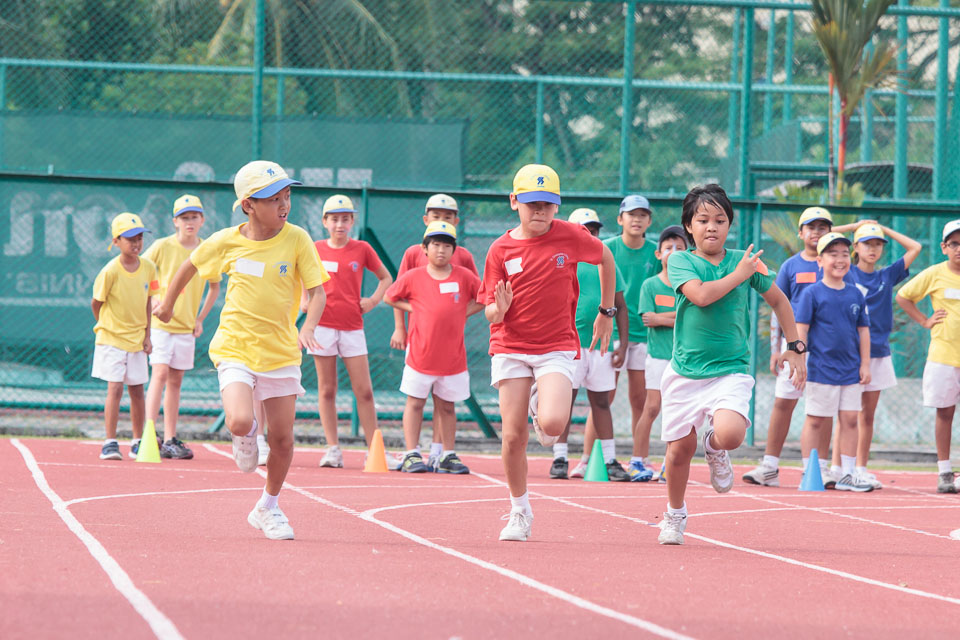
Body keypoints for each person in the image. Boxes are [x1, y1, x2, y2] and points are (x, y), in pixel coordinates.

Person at [155, 160, 328, 540]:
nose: (284, 205)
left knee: (283, 440)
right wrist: (167, 304)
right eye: (274, 199)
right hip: (235, 346)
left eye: (287, 196)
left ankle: (268, 506)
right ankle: (247, 435)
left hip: (280, 352)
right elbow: (189, 266)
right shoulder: (225, 241)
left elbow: (317, 292)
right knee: (238, 420)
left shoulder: (297, 239)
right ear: (249, 205)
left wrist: (309, 326)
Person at [658, 184, 805, 545]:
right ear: (689, 226)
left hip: (730, 369)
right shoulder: (680, 261)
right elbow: (701, 296)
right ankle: (675, 514)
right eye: (703, 220)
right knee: (678, 452)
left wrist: (795, 346)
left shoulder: (746, 260)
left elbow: (780, 301)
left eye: (720, 220)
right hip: (685, 372)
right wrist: (741, 273)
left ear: (729, 225)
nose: (712, 226)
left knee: (731, 434)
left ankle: (714, 446)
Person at [479, 164, 615, 542]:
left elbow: (606, 259)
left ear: (557, 205)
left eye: (547, 204)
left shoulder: (571, 235)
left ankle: (540, 402)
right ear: (514, 202)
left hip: (555, 346)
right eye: (531, 203)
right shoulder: (500, 250)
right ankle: (519, 510)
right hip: (510, 346)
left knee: (553, 427)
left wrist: (606, 313)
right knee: (513, 436)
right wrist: (498, 310)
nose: (539, 210)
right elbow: (489, 310)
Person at [742, 206, 832, 488]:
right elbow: (775, 306)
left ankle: (820, 469)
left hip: (828, 349)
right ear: (800, 233)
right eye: (811, 227)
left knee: (823, 409)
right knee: (783, 403)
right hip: (793, 347)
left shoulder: (835, 264)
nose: (816, 232)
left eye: (823, 227)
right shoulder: (791, 266)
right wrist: (775, 348)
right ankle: (769, 466)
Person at [826, 221, 921, 488]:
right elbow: (824, 238)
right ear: (855, 247)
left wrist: (884, 229)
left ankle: (860, 468)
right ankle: (836, 469)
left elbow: (915, 247)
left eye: (878, 244)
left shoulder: (886, 276)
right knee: (846, 414)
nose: (873, 248)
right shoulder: (846, 272)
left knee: (867, 415)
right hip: (849, 352)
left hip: (878, 353)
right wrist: (857, 225)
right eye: (867, 243)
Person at [384, 221, 484, 474]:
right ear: (424, 249)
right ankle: (412, 453)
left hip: (452, 358)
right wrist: (413, 308)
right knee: (415, 404)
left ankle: (447, 455)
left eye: (447, 246)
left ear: (454, 250)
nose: (441, 250)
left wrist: (463, 312)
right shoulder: (414, 277)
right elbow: (390, 296)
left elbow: (484, 297)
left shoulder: (464, 276)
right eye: (436, 245)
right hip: (420, 355)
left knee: (447, 407)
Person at [305, 195, 397, 470]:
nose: (340, 224)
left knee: (364, 391)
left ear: (352, 221)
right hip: (322, 326)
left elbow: (386, 277)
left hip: (352, 327)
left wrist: (373, 300)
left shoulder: (362, 248)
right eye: (334, 219)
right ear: (324, 221)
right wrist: (303, 300)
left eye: (345, 219)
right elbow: (300, 277)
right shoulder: (315, 249)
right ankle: (333, 449)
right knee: (327, 389)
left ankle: (374, 450)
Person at [572, 195, 658, 476]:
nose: (637, 219)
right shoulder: (604, 249)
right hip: (608, 333)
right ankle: (587, 458)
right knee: (602, 398)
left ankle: (639, 459)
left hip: (644, 334)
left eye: (642, 215)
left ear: (649, 220)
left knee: (640, 400)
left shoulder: (655, 253)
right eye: (631, 214)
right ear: (620, 219)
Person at [545, 208, 629, 481]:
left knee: (601, 403)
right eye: (584, 230)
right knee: (564, 403)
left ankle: (610, 460)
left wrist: (622, 345)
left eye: (593, 230)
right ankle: (559, 458)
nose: (590, 235)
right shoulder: (560, 262)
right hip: (568, 345)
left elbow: (620, 305)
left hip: (601, 346)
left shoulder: (606, 261)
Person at [143, 195, 221, 460]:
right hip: (161, 324)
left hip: (186, 326)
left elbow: (214, 287)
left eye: (194, 217)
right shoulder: (162, 246)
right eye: (184, 217)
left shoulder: (206, 250)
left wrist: (199, 319)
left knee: (176, 381)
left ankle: (169, 439)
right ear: (175, 221)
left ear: (202, 220)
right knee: (160, 373)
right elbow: (144, 272)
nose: (189, 222)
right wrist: (155, 299)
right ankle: (147, 433)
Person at [795, 232, 872, 492]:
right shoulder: (812, 293)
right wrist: (800, 361)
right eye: (832, 254)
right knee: (816, 420)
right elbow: (801, 330)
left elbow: (863, 331)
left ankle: (847, 474)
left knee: (850, 419)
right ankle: (810, 471)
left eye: (844, 254)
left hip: (850, 370)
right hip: (821, 369)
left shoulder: (855, 294)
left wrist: (865, 364)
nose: (839, 259)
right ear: (820, 261)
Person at [895, 219, 960, 494]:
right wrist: (924, 320)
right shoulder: (934, 274)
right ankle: (945, 471)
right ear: (944, 247)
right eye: (954, 244)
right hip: (943, 355)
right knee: (944, 413)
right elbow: (903, 296)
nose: (959, 249)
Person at [91, 213, 159, 460]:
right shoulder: (110, 271)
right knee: (115, 387)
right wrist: (107, 325)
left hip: (137, 339)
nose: (136, 243)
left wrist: (147, 335)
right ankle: (110, 442)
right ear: (116, 241)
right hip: (111, 339)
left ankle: (137, 441)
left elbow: (148, 302)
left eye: (139, 237)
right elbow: (96, 303)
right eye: (130, 238)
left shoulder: (149, 268)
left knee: (137, 390)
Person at [632, 225, 688, 482]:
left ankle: (669, 464)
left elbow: (688, 318)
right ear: (658, 254)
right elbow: (647, 318)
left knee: (677, 412)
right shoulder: (650, 285)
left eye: (679, 248)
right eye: (668, 248)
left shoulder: (688, 285)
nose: (673, 252)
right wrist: (673, 317)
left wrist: (662, 318)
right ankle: (637, 461)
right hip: (657, 356)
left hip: (683, 359)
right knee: (652, 407)